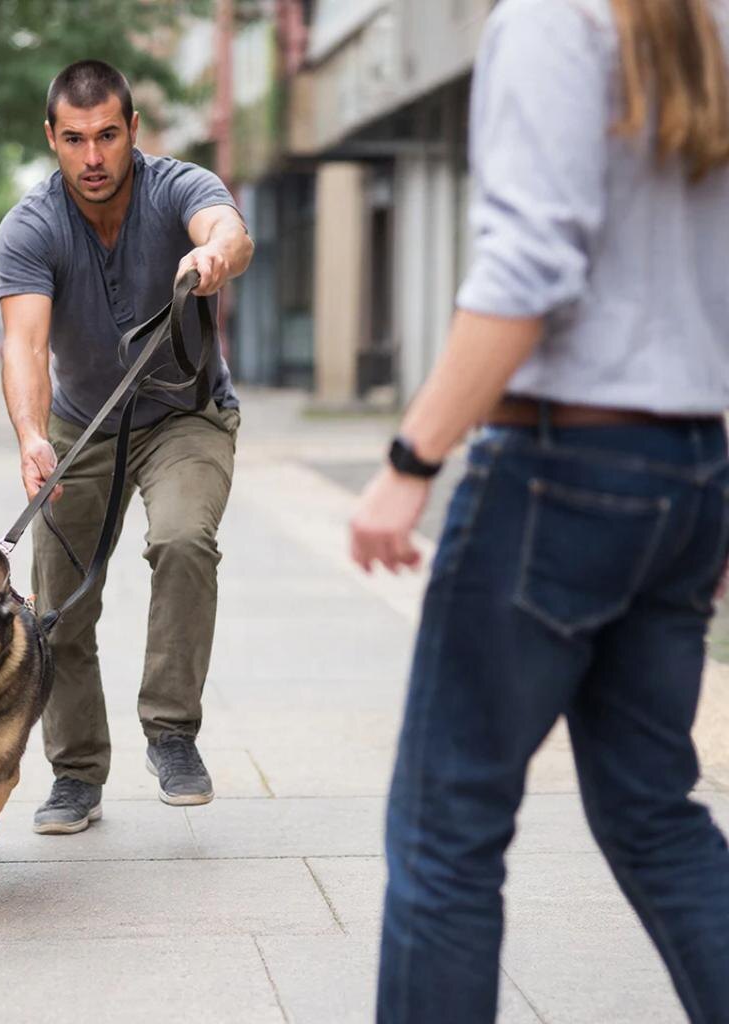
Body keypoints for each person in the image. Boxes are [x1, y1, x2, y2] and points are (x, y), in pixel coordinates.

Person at [350, 0, 729, 1021]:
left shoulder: (553, 18)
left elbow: (528, 264)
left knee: (446, 829)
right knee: (654, 814)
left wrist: (411, 453)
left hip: (561, 463)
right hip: (686, 467)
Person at [0, 60, 253, 834]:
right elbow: (25, 343)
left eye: (108, 134)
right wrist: (32, 435)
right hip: (80, 424)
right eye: (74, 139)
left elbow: (227, 230)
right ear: (52, 138)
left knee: (181, 539)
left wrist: (214, 256)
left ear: (133, 130)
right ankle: (75, 774)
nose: (94, 156)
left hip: (185, 416)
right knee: (58, 607)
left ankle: (171, 732)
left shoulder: (176, 186)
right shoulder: (32, 225)